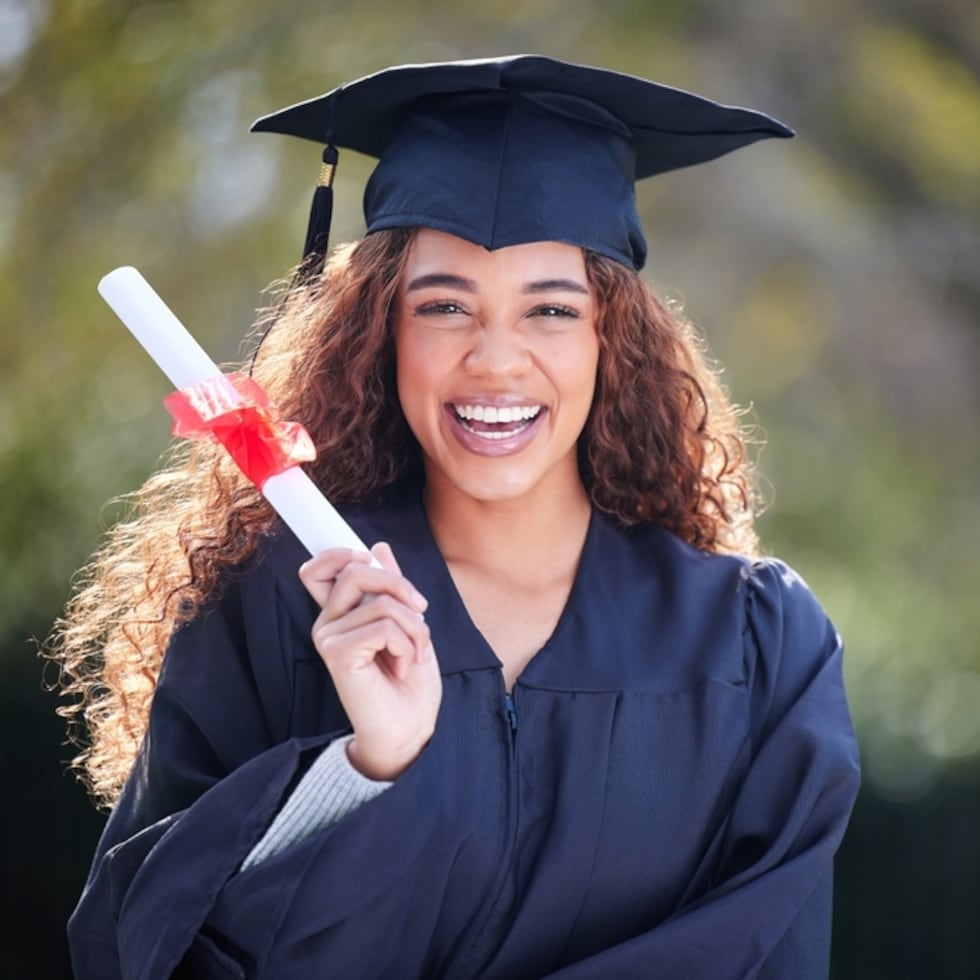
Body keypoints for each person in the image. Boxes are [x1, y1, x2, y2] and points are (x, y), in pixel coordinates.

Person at [51, 55, 860, 979]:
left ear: (614, 338)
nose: (497, 361)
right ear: (379, 332)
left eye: (552, 309)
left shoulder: (755, 642)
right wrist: (365, 769)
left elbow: (763, 950)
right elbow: (143, 944)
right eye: (443, 305)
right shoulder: (277, 606)